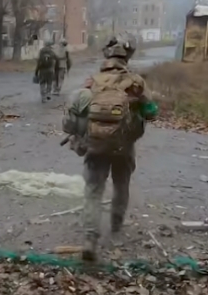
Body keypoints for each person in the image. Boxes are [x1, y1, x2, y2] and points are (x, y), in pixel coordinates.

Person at [61, 37, 157, 262]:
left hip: (96, 145)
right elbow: (152, 112)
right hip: (124, 147)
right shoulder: (136, 82)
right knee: (121, 186)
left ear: (106, 58)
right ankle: (116, 227)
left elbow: (76, 115)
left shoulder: (92, 82)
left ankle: (90, 239)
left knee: (93, 191)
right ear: (126, 59)